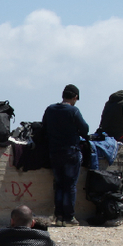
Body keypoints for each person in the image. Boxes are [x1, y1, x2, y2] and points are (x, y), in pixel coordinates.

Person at [42, 84, 89, 226]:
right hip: (70, 152)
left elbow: (44, 127)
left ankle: (59, 216)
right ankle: (69, 218)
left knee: (59, 184)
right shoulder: (73, 110)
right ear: (75, 97)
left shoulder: (50, 109)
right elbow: (85, 129)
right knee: (70, 185)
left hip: (54, 152)